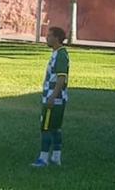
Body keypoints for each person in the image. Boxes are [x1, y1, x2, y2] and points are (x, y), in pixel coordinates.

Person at [32, 26, 70, 168]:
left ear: (57, 38)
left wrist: (52, 97)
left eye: (49, 36)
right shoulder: (58, 53)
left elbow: (61, 79)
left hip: (54, 98)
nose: (46, 38)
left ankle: (43, 159)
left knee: (46, 128)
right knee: (55, 128)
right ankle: (56, 157)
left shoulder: (61, 55)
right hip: (56, 98)